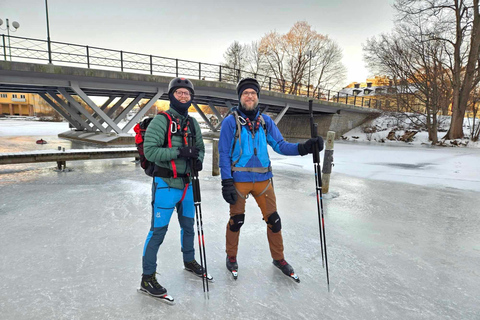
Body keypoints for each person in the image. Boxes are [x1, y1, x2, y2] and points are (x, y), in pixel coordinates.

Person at [218, 77, 324, 280]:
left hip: (264, 180)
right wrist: (226, 181)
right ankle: (231, 257)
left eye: (253, 93)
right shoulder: (230, 122)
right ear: (240, 97)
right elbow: (223, 154)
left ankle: (279, 258)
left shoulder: (265, 122)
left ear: (257, 97)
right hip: (239, 180)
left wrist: (304, 148)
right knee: (236, 220)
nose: (250, 96)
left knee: (274, 221)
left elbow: (281, 145)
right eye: (246, 93)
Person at [140, 77, 210, 297]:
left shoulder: (193, 123)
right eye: (179, 92)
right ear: (171, 96)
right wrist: (179, 152)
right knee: (158, 232)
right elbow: (150, 151)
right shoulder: (161, 121)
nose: (183, 96)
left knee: (188, 227)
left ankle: (189, 260)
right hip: (165, 185)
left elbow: (199, 148)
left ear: (191, 98)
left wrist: (198, 159)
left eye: (186, 93)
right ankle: (147, 277)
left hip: (187, 185)